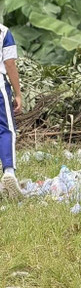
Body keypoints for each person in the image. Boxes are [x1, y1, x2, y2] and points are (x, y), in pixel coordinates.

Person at [0, 24, 22, 200]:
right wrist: (18, 93)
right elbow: (9, 64)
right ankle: (9, 171)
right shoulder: (3, 32)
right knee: (6, 129)